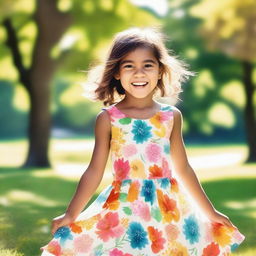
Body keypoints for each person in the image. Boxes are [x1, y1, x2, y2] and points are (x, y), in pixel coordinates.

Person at [40, 26, 245, 255]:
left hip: (168, 206)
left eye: (148, 65)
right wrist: (71, 214)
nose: (139, 74)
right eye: (129, 66)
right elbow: (94, 171)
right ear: (117, 72)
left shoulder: (171, 116)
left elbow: (184, 168)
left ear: (160, 71)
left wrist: (210, 212)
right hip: (124, 205)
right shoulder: (109, 118)